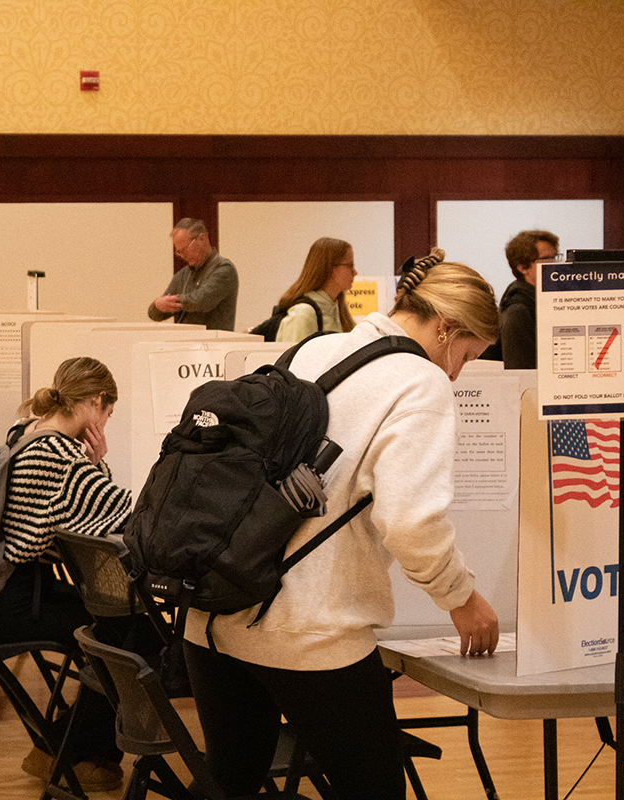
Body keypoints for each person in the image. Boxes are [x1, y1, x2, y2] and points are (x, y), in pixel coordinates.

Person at [182, 248, 501, 800]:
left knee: (231, 785)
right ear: (446, 328)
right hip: (306, 632)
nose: (459, 371)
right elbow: (410, 522)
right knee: (373, 790)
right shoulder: (420, 384)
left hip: (213, 613)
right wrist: (461, 597)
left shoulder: (316, 348)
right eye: (467, 355)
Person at [0, 357, 132, 793]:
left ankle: (72, 749)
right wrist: (99, 462)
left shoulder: (26, 434)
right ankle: (69, 753)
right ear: (97, 403)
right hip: (18, 603)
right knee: (122, 639)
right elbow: (122, 514)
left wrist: (94, 462)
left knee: (115, 630)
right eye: (109, 414)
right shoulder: (60, 455)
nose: (106, 422)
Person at [147, 218, 239, 331]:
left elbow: (201, 301)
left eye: (185, 249)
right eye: (179, 251)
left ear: (202, 238)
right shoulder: (182, 275)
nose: (182, 255)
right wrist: (157, 305)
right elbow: (155, 315)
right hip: (185, 344)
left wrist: (174, 301)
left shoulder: (224, 269)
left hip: (215, 344)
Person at [273, 236, 358, 343]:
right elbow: (296, 359)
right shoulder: (303, 314)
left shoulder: (337, 309)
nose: (355, 272)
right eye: (350, 265)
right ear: (332, 269)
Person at [497, 229, 559, 369]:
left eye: (555, 258)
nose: (555, 265)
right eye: (547, 259)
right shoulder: (517, 309)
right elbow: (520, 372)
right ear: (523, 268)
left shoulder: (543, 301)